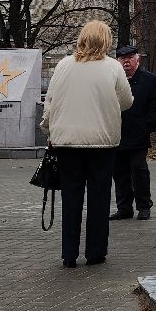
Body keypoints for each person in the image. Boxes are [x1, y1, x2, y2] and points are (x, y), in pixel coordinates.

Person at [41, 20, 133, 268]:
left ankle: (69, 253)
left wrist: (49, 129)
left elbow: (51, 101)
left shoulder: (63, 65)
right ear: (106, 40)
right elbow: (126, 101)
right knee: (99, 197)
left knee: (71, 197)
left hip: (67, 142)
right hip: (102, 142)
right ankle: (95, 252)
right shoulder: (113, 67)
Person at [110, 43, 156, 221]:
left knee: (139, 171)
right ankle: (124, 208)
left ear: (137, 60)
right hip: (116, 134)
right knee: (119, 173)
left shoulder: (149, 80)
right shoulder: (112, 79)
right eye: (122, 58)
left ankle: (144, 206)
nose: (126, 62)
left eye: (129, 58)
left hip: (138, 135)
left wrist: (147, 126)